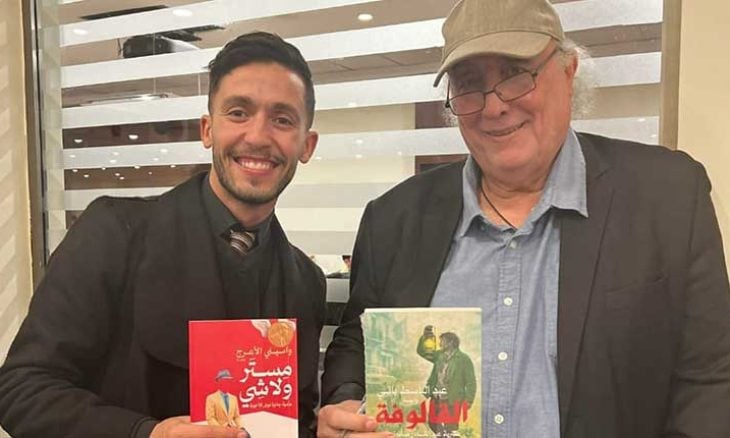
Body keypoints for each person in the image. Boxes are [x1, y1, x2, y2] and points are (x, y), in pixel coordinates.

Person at [317, 0, 730, 437]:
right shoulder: (393, 219)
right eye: (469, 84)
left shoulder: (666, 196)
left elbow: (710, 378)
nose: (494, 106)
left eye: (515, 74)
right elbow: (356, 342)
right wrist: (345, 401)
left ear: (568, 72)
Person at [0, 32, 325, 438]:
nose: (258, 136)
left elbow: (297, 418)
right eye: (238, 113)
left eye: (282, 119)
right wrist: (147, 434)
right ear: (207, 130)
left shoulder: (305, 281)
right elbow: (22, 389)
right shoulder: (115, 234)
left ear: (306, 145)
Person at [416, 330, 475, 437]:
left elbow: (471, 382)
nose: (440, 344)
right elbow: (422, 352)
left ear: (451, 342)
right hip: (436, 396)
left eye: (442, 341)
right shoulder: (438, 355)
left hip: (453, 398)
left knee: (451, 427)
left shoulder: (464, 359)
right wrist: (425, 337)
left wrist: (469, 400)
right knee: (433, 423)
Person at [205, 369, 249, 437]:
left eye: (228, 381)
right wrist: (222, 430)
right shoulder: (211, 398)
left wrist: (241, 427)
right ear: (219, 382)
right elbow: (210, 418)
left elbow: (236, 417)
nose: (226, 383)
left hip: (232, 430)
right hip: (218, 432)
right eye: (224, 381)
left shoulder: (233, 398)